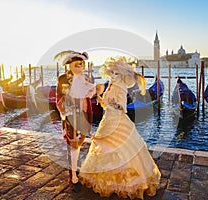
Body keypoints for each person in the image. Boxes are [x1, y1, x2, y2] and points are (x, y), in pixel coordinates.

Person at [79, 58, 161, 199]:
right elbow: (105, 105)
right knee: (103, 147)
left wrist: (114, 104)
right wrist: (100, 99)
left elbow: (122, 108)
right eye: (112, 72)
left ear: (122, 75)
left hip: (117, 120)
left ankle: (127, 181)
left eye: (116, 73)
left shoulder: (121, 87)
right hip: (107, 120)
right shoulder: (110, 85)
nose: (113, 75)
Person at [55, 51, 95, 192]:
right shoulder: (63, 79)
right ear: (70, 65)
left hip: (83, 115)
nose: (81, 67)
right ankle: (73, 178)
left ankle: (75, 170)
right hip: (71, 116)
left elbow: (89, 95)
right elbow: (59, 98)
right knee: (72, 146)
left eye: (83, 64)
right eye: (78, 64)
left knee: (79, 144)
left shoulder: (85, 78)